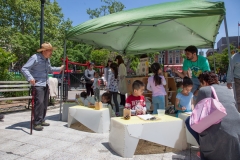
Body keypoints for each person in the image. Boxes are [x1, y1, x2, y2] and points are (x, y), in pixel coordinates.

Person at [185, 71, 240, 160]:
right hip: (237, 126)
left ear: (205, 82)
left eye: (201, 84)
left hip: (220, 128)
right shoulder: (227, 90)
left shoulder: (204, 90)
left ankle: (203, 146)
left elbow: (197, 112)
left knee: (189, 121)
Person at [21, 42, 64, 131]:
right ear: (44, 51)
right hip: (37, 84)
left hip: (45, 83)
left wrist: (59, 68)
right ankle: (36, 122)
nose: (51, 52)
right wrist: (30, 78)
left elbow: (50, 69)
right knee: (39, 103)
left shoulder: (47, 59)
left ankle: (42, 119)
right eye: (50, 51)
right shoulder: (35, 57)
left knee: (44, 103)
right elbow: (24, 68)